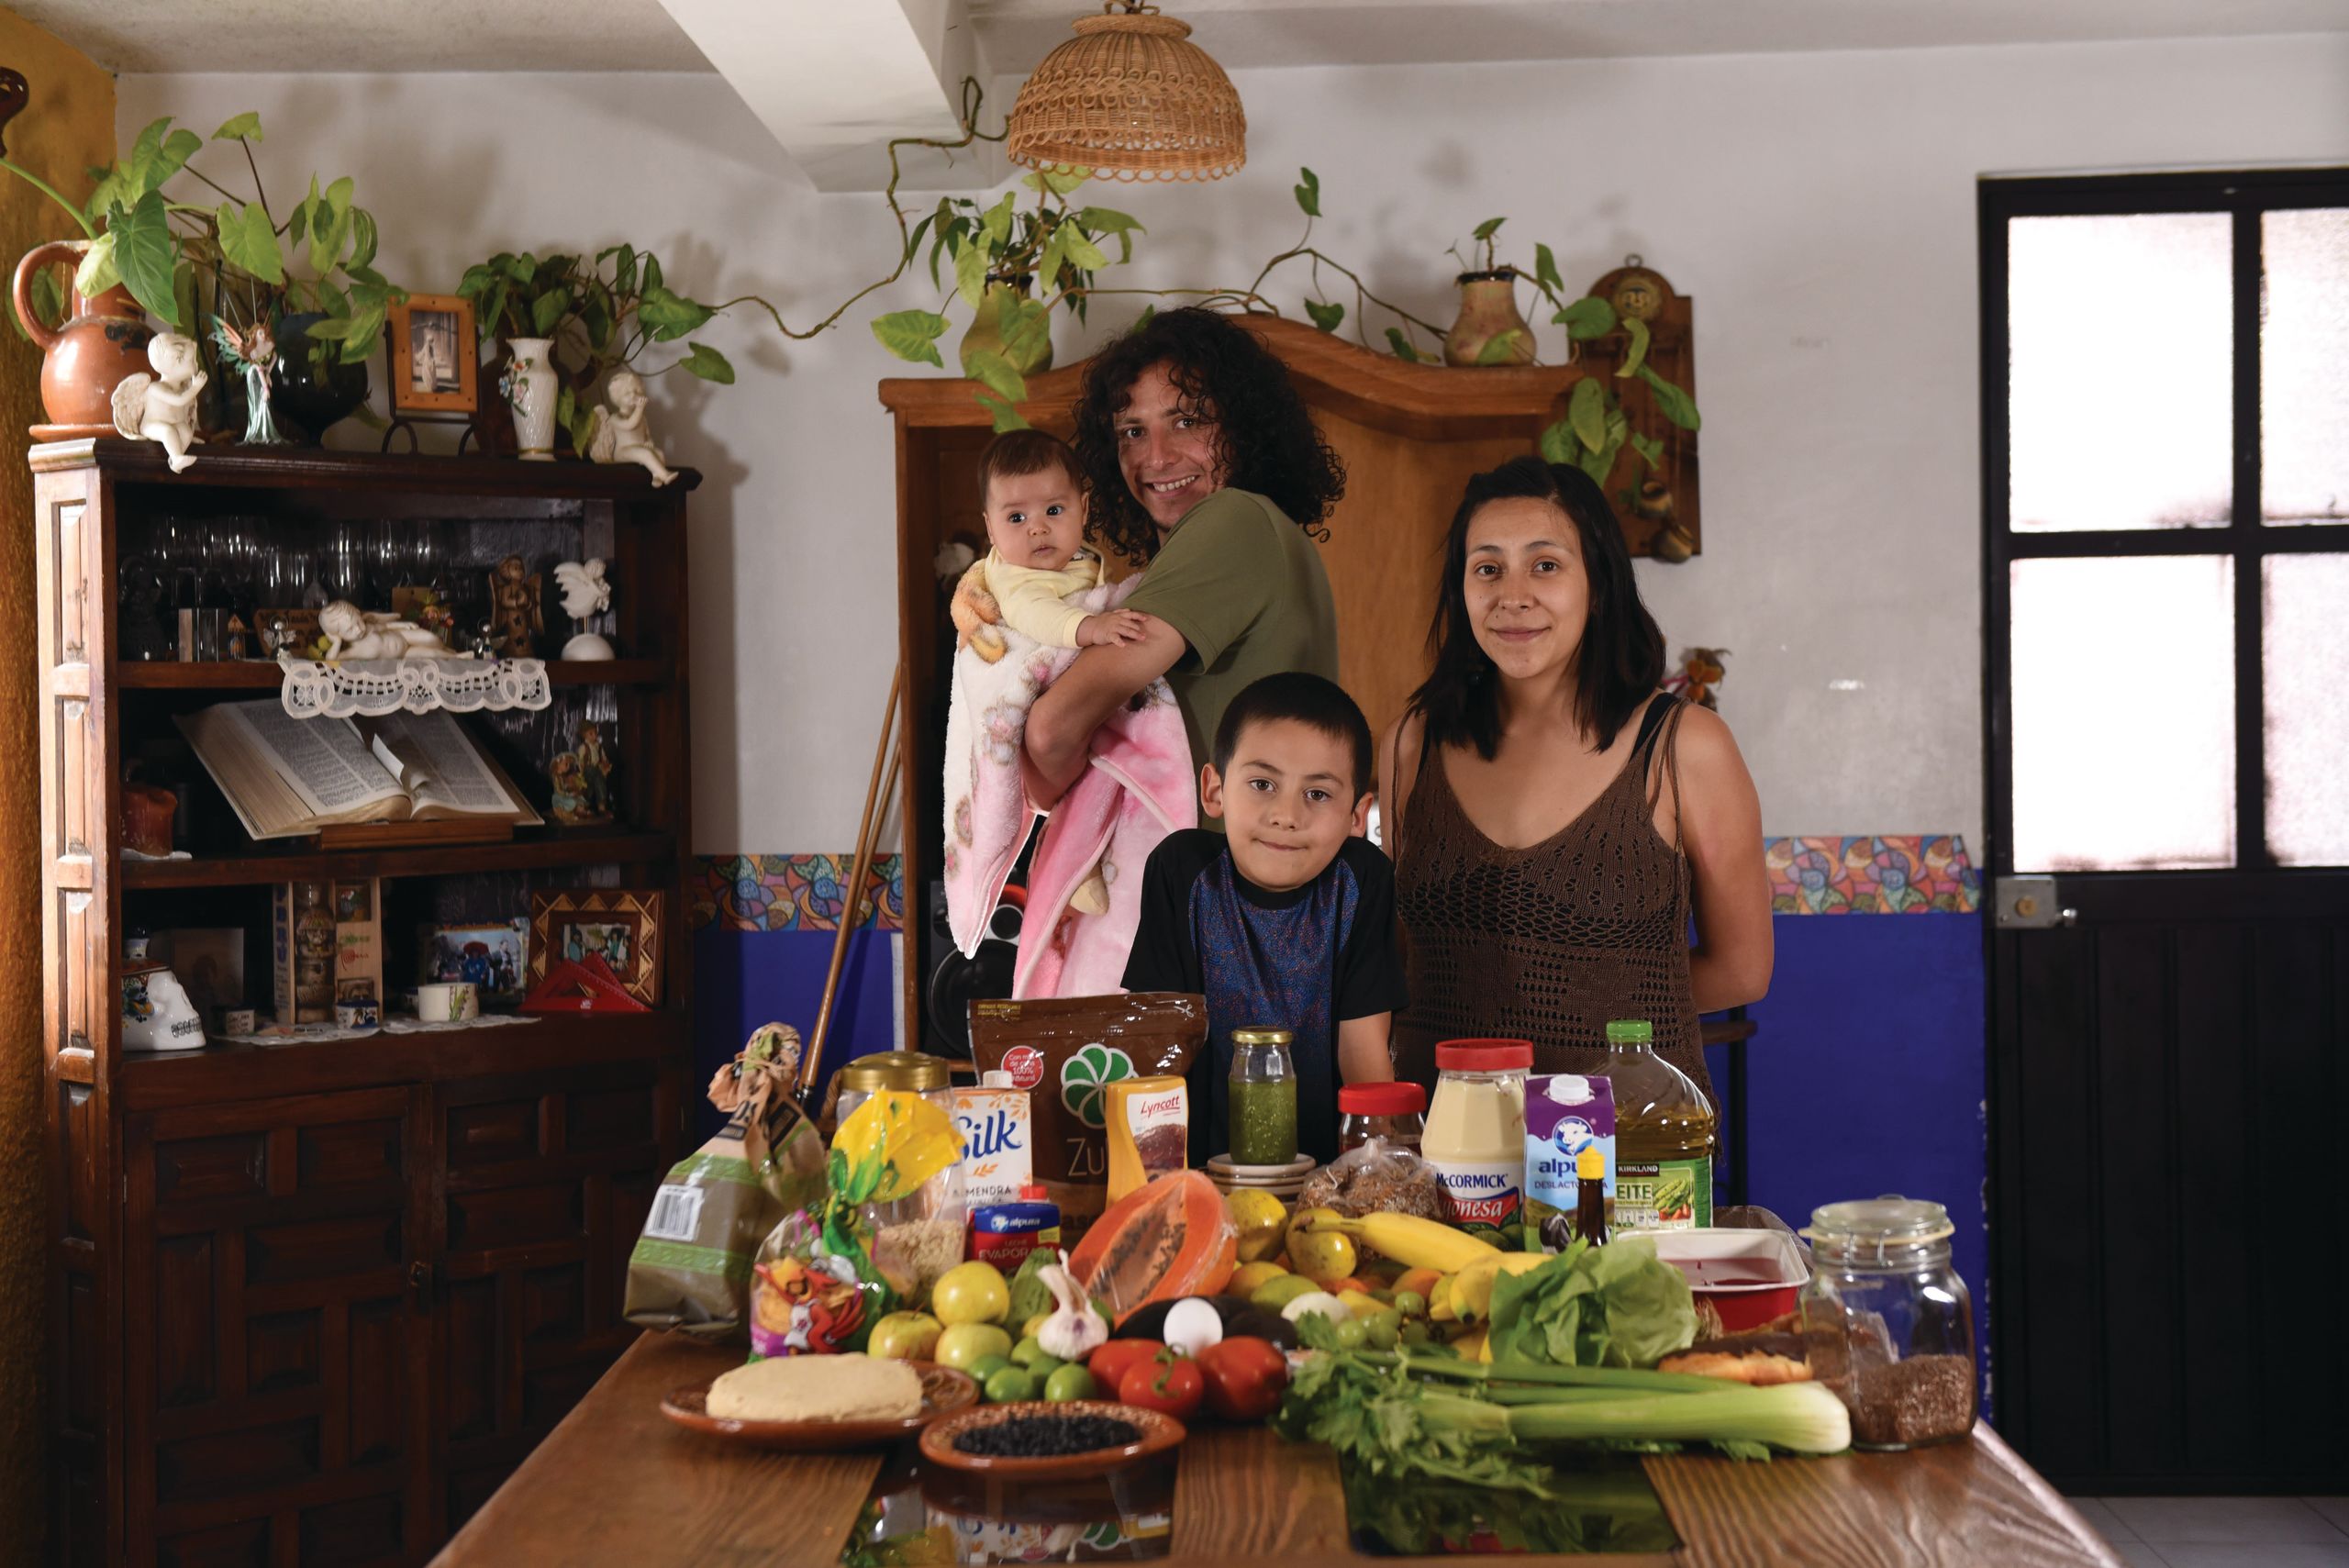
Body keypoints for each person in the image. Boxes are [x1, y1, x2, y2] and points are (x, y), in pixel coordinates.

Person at [1379, 457, 1771, 1100]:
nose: (1513, 595)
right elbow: (1399, 955)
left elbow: (1742, 969)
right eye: (1487, 569)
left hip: (1629, 1147)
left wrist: (1602, 1023)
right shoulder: (1411, 743)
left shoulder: (1685, 746)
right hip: (1444, 1144)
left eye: (1546, 564)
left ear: (1600, 584)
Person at [952, 307, 1347, 817]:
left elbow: (1051, 731)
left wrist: (1045, 794)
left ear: (1243, 428)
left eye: (1187, 421)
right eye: (1132, 432)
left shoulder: (1234, 520)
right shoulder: (1267, 537)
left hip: (1213, 885)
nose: (1156, 457)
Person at [1124, 673, 1407, 1166]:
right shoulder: (1182, 871)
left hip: (1326, 1171)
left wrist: (1374, 1171)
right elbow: (1156, 1046)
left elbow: (1363, 1051)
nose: (1285, 815)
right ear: (1214, 789)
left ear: (1357, 816)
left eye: (1317, 794)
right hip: (1197, 1171)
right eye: (1262, 784)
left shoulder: (1361, 880)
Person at [965, 428, 1145, 660]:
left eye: (1053, 510)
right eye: (1016, 518)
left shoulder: (1079, 555)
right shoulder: (1015, 583)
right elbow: (1041, 617)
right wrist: (1093, 628)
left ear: (1084, 510)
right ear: (991, 528)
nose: (1038, 528)